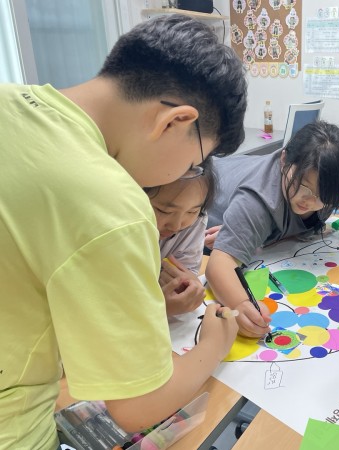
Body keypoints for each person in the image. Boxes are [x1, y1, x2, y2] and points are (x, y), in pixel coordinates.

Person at [0, 14, 247, 449]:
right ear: (174, 121)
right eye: (194, 162)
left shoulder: (10, 101)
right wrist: (215, 342)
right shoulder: (112, 204)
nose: (186, 173)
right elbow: (136, 406)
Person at [205, 121, 339, 338]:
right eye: (302, 186)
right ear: (283, 159)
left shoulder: (324, 192)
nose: (309, 201)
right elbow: (219, 264)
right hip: (198, 212)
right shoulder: (257, 200)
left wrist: (265, 236)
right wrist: (241, 304)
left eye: (322, 196)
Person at [146, 162, 215, 316]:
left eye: (192, 211)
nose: (176, 226)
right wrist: (157, 308)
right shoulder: (120, 232)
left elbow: (188, 270)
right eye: (164, 211)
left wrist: (189, 284)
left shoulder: (196, 221)